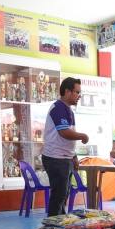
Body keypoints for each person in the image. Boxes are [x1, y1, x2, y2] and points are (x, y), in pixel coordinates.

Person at [41, 77, 88, 217]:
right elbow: (63, 132)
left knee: (63, 195)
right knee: (58, 196)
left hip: (64, 158)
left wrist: (73, 156)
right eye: (77, 92)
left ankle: (59, 226)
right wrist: (83, 136)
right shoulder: (58, 108)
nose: (79, 96)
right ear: (67, 91)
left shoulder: (68, 110)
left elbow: (66, 138)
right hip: (56, 158)